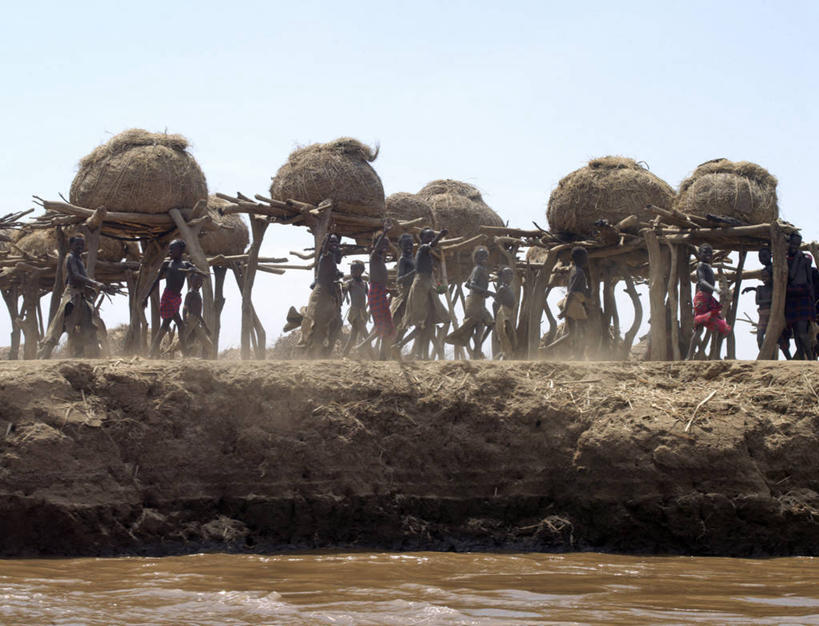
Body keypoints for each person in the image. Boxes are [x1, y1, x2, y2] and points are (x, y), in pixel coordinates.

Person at [38, 234, 116, 358]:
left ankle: (83, 355)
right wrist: (95, 283)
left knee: (89, 323)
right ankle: (44, 355)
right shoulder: (71, 258)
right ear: (71, 245)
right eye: (77, 244)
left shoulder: (79, 259)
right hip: (72, 295)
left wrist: (94, 287)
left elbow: (82, 278)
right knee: (60, 324)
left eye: (82, 244)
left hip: (81, 294)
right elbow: (75, 275)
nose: (80, 247)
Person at [395, 227, 449, 359]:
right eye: (428, 237)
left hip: (427, 287)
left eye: (432, 236)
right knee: (421, 324)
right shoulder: (422, 249)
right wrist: (440, 236)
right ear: (421, 239)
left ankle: (422, 352)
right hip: (418, 289)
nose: (431, 239)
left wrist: (438, 287)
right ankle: (400, 346)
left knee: (435, 322)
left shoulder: (424, 255)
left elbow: (429, 277)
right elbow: (400, 279)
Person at [147, 239, 198, 358]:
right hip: (168, 298)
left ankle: (152, 352)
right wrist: (146, 297)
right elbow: (156, 281)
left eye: (173, 249)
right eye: (169, 249)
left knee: (167, 325)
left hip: (176, 299)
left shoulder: (185, 265)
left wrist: (193, 270)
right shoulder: (167, 264)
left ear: (180, 250)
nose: (170, 251)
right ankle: (184, 353)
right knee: (177, 325)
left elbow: (198, 271)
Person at [356, 219, 395, 359]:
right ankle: (361, 347)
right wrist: (385, 232)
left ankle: (382, 357)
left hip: (381, 292)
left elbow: (379, 281)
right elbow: (376, 248)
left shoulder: (380, 261)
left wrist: (389, 290)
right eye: (381, 243)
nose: (384, 246)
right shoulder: (374, 257)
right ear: (375, 244)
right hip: (376, 294)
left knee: (387, 327)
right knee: (381, 326)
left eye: (386, 244)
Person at [299, 233, 343, 357]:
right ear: (326, 245)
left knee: (335, 323)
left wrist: (338, 274)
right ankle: (309, 352)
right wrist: (328, 238)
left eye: (336, 243)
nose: (334, 246)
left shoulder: (332, 259)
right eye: (332, 243)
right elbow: (325, 250)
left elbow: (333, 271)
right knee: (315, 323)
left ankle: (321, 353)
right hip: (320, 295)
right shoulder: (325, 255)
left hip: (329, 295)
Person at [445, 245, 494, 358]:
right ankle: (476, 351)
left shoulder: (480, 269)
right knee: (478, 326)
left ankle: (477, 349)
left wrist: (484, 292)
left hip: (479, 301)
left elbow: (467, 283)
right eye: (481, 256)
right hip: (474, 301)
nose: (484, 258)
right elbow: (471, 285)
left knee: (487, 325)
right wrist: (486, 292)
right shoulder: (478, 269)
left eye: (485, 256)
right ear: (476, 258)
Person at [742, 247, 791, 357]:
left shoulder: (775, 268)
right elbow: (765, 289)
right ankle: (768, 357)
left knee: (780, 338)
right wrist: (755, 289)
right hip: (765, 311)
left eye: (764, 256)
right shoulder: (767, 270)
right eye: (760, 257)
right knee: (769, 337)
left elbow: (775, 288)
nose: (762, 259)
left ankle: (786, 358)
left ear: (770, 256)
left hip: (776, 309)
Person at [686, 243, 731, 359]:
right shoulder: (701, 265)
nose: (708, 254)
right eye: (705, 252)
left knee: (721, 326)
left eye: (710, 252)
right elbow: (701, 281)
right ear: (699, 254)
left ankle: (715, 356)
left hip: (708, 299)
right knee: (699, 329)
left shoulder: (708, 267)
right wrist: (716, 289)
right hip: (702, 298)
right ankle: (689, 357)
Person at [556, 246, 591, 358]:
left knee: (571, 333)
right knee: (584, 330)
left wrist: (583, 304)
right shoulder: (579, 272)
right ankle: (578, 355)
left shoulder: (574, 270)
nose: (587, 259)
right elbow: (572, 291)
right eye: (585, 257)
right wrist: (565, 310)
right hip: (573, 302)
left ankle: (548, 348)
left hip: (572, 301)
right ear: (580, 258)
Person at [785, 232, 815, 359]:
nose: (794, 246)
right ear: (789, 243)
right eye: (793, 243)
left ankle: (811, 359)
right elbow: (790, 276)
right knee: (796, 333)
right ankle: (802, 360)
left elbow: (809, 279)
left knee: (802, 332)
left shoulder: (805, 258)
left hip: (803, 296)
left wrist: (812, 299)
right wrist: (797, 258)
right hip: (791, 297)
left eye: (797, 244)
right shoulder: (785, 259)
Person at [180, 272, 214, 358]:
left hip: (196, 320)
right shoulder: (190, 293)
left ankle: (209, 356)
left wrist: (205, 326)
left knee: (204, 340)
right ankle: (169, 351)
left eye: (200, 281)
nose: (199, 283)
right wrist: (184, 321)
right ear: (191, 282)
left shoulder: (197, 294)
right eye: (197, 281)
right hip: (191, 319)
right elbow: (185, 308)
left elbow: (198, 313)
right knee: (182, 338)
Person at [342, 260, 369, 356]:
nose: (352, 271)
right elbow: (344, 291)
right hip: (355, 312)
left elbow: (370, 296)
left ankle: (344, 354)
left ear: (361, 271)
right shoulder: (350, 283)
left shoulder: (364, 284)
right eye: (351, 269)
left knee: (353, 336)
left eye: (355, 269)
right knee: (366, 334)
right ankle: (373, 355)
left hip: (363, 313)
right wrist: (344, 297)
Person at [494, 266, 517, 359]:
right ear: (503, 277)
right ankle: (504, 355)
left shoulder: (509, 288)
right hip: (503, 312)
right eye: (508, 274)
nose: (511, 276)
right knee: (505, 333)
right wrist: (495, 317)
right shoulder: (502, 288)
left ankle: (504, 355)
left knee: (510, 335)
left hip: (509, 313)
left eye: (512, 274)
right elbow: (495, 302)